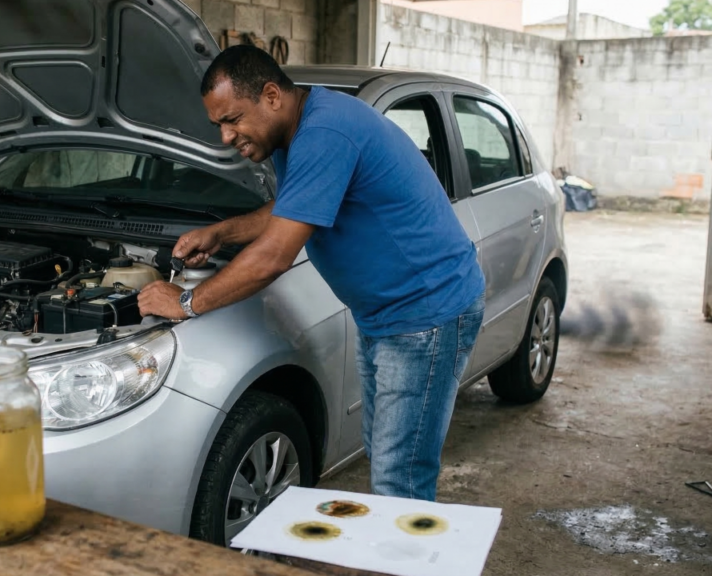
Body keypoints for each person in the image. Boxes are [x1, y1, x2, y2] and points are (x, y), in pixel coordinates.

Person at [137, 45, 486, 502]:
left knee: (400, 478)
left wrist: (185, 303)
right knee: (385, 457)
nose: (225, 136)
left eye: (233, 119)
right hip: (386, 316)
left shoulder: (325, 132)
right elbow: (292, 206)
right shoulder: (299, 129)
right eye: (219, 124)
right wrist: (221, 233)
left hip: (424, 317)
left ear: (271, 96)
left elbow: (274, 257)